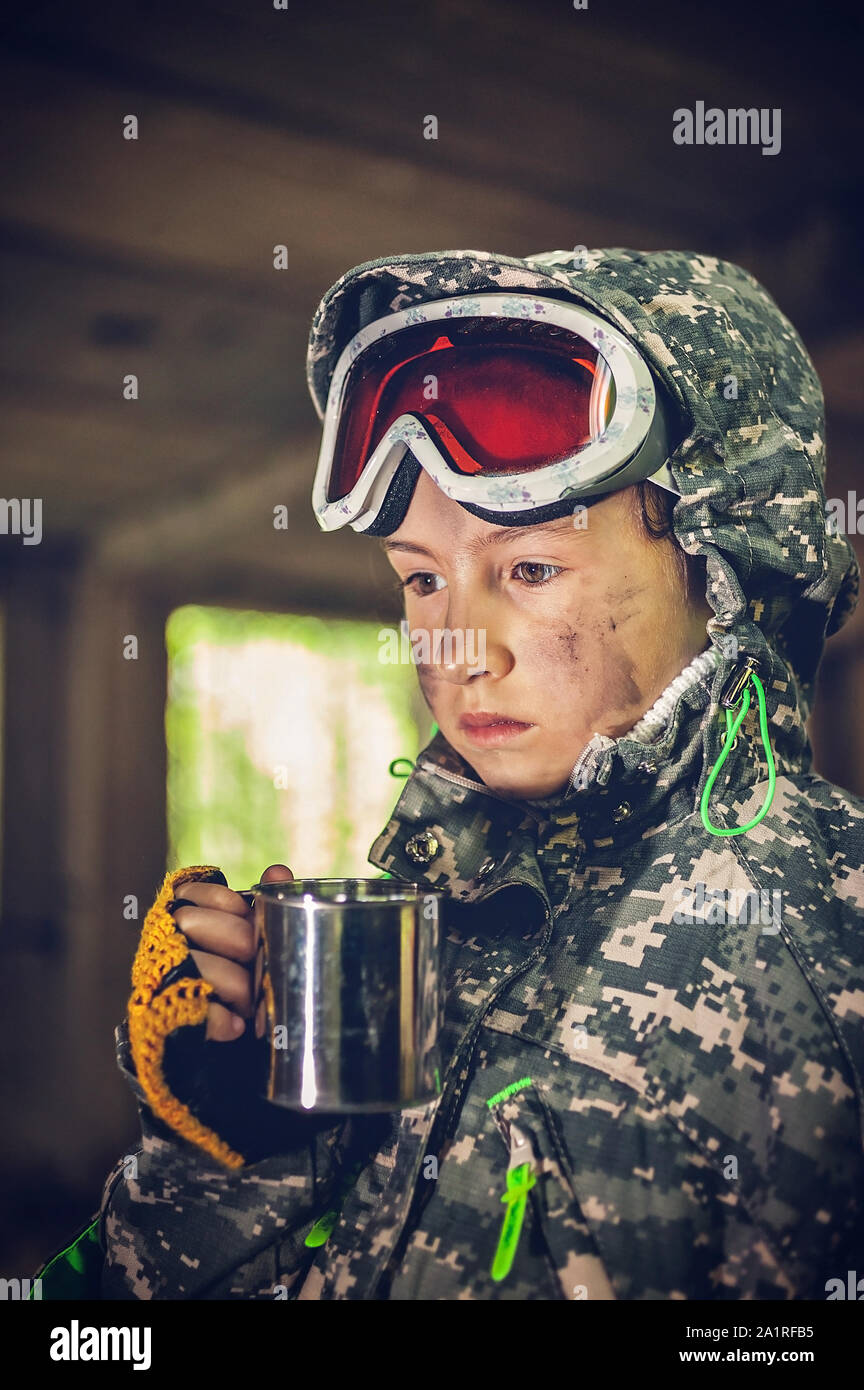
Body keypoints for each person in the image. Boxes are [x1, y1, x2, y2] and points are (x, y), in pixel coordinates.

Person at [96, 246, 864, 1300]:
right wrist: (238, 1144)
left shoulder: (817, 951)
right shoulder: (459, 918)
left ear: (724, 567)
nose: (457, 647)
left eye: (532, 568)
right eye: (421, 579)